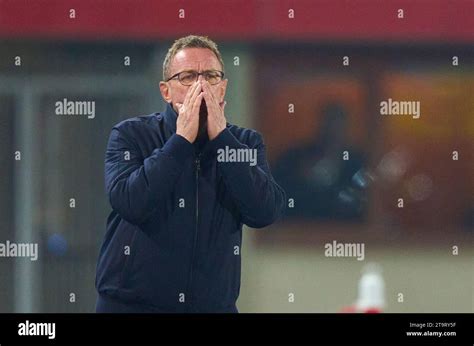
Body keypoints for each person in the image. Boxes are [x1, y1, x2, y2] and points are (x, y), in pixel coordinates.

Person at [95, 35, 286, 313]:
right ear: (166, 91)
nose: (200, 85)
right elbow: (130, 202)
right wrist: (181, 141)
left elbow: (265, 211)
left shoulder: (245, 142)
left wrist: (222, 140)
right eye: (187, 77)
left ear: (223, 88)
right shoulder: (130, 135)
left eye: (210, 76)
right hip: (130, 305)